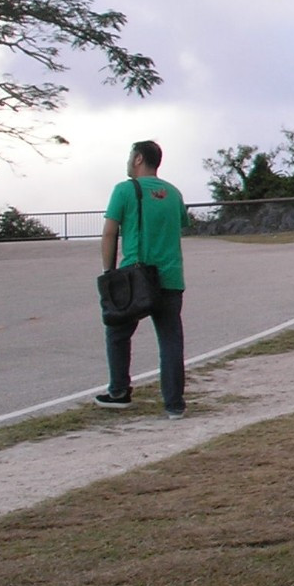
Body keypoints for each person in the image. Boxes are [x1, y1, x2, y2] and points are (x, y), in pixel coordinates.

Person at [96, 140, 190, 417]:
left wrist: (109, 272)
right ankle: (174, 405)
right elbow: (180, 225)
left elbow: (110, 233)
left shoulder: (124, 190)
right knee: (171, 340)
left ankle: (119, 391)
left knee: (117, 331)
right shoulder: (173, 193)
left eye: (130, 156)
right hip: (171, 277)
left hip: (136, 279)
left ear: (138, 159)